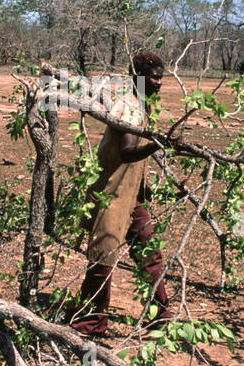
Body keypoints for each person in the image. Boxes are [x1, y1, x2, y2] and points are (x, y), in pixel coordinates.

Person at [70, 50, 171, 337]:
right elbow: (127, 153)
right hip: (112, 192)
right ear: (139, 77)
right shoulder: (129, 105)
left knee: (150, 252)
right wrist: (158, 144)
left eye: (161, 78)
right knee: (104, 254)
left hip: (131, 195)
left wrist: (144, 188)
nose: (159, 83)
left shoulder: (141, 103)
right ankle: (92, 322)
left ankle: (161, 315)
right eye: (154, 77)